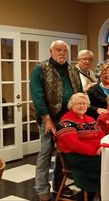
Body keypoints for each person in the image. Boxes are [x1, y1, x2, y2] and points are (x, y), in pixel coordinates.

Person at [30, 40, 82, 201]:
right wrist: (47, 119)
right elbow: (37, 95)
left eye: (64, 51)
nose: (62, 53)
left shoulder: (73, 69)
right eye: (58, 50)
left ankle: (59, 185)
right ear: (51, 51)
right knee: (46, 152)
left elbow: (79, 92)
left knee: (63, 153)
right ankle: (42, 189)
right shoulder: (41, 68)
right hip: (50, 117)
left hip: (68, 118)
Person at [55, 93, 104, 200]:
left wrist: (102, 146)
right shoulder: (66, 122)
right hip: (74, 157)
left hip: (93, 153)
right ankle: (97, 192)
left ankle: (99, 192)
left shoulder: (90, 119)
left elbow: (101, 135)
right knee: (106, 164)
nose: (82, 106)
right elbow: (75, 145)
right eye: (78, 104)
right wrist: (95, 151)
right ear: (71, 105)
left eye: (84, 103)